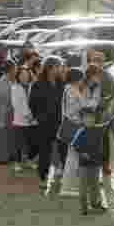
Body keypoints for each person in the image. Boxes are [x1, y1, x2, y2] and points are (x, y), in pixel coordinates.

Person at [31, 56, 64, 188]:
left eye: (60, 67)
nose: (60, 69)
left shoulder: (62, 83)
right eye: (58, 67)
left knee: (61, 149)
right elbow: (32, 103)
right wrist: (40, 117)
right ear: (50, 68)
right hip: (44, 124)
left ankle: (59, 173)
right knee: (44, 151)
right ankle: (43, 178)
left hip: (59, 122)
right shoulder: (38, 84)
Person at [71, 107, 107, 215]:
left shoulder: (98, 130)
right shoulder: (80, 132)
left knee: (95, 185)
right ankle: (83, 207)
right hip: (84, 165)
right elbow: (74, 146)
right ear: (82, 119)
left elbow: (107, 125)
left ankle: (95, 204)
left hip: (95, 164)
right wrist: (82, 153)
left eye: (91, 117)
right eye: (86, 118)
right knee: (83, 186)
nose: (89, 120)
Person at [0, 61, 18, 165]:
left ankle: (10, 155)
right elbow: (6, 97)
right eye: (15, 68)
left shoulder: (11, 79)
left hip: (10, 112)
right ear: (10, 69)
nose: (16, 70)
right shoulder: (3, 80)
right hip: (5, 112)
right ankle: (3, 158)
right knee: (3, 135)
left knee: (10, 134)